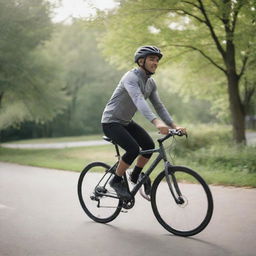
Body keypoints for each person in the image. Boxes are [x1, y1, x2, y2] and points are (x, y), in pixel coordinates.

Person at [101, 45, 186, 198]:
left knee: (148, 145)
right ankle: (116, 180)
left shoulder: (150, 83)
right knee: (133, 149)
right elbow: (139, 100)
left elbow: (159, 106)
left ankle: (135, 175)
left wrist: (174, 125)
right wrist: (156, 122)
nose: (155, 63)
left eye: (157, 60)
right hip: (110, 122)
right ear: (141, 61)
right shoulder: (130, 78)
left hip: (126, 122)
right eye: (152, 59)